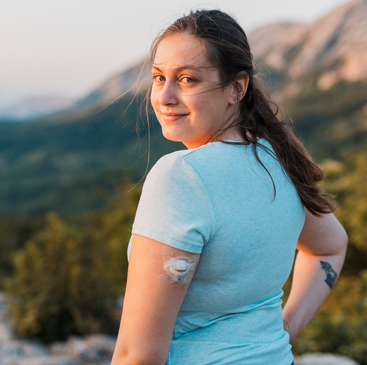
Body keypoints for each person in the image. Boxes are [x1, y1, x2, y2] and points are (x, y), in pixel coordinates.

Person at [111, 9, 348, 365]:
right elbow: (331, 247)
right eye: (159, 78)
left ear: (237, 87)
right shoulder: (278, 158)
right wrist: (286, 327)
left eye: (188, 80)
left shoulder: (181, 175)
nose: (164, 96)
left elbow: (138, 355)